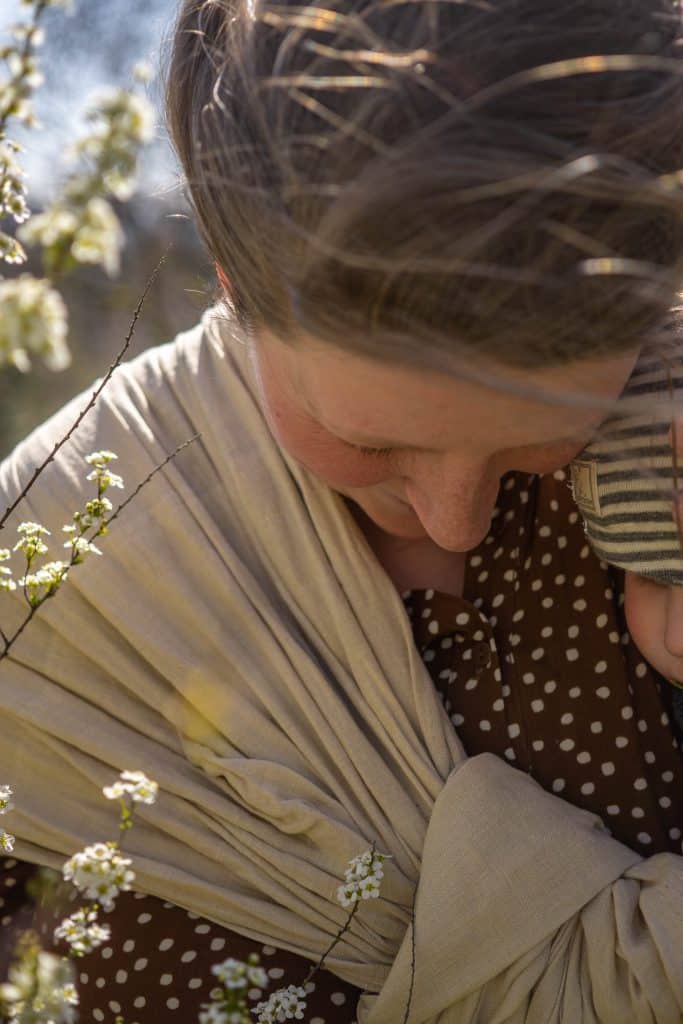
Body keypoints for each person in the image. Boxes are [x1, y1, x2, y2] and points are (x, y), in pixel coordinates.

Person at [1, 0, 682, 1021]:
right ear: (232, 285)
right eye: (370, 441)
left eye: (533, 436)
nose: (455, 519)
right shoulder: (53, 564)